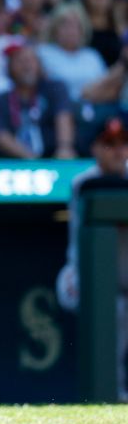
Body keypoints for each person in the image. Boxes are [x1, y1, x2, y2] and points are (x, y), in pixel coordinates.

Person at [56, 114, 128, 402]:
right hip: (86, 272)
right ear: (96, 148)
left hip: (124, 276)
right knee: (114, 308)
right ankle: (111, 391)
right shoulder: (83, 182)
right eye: (109, 144)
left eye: (124, 143)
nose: (118, 150)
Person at [0, 41, 76, 159]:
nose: (26, 66)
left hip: (55, 158)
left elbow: (63, 116)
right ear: (9, 67)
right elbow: (0, 135)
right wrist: (31, 160)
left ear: (39, 65)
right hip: (16, 163)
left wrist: (64, 148)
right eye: (20, 61)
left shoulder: (55, 88)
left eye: (30, 60)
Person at [37, 2, 107, 104]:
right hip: (58, 110)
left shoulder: (92, 56)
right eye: (65, 24)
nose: (71, 30)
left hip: (93, 109)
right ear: (55, 28)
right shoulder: (43, 53)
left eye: (76, 25)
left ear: (83, 29)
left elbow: (105, 87)